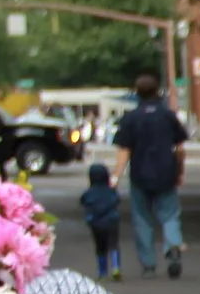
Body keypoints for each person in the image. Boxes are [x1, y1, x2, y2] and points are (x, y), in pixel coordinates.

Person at [113, 72, 188, 278]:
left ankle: (148, 264)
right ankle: (173, 246)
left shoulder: (130, 118)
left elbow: (124, 151)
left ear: (137, 93)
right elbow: (180, 148)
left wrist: (115, 176)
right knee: (170, 215)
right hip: (166, 173)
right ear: (158, 92)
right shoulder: (168, 116)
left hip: (140, 175)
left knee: (142, 220)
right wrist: (180, 171)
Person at [80, 162, 124, 280]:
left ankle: (102, 271)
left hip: (96, 223)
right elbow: (117, 200)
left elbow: (83, 201)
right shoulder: (111, 191)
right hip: (111, 221)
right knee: (113, 245)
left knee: (100, 247)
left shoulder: (89, 193)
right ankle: (116, 267)